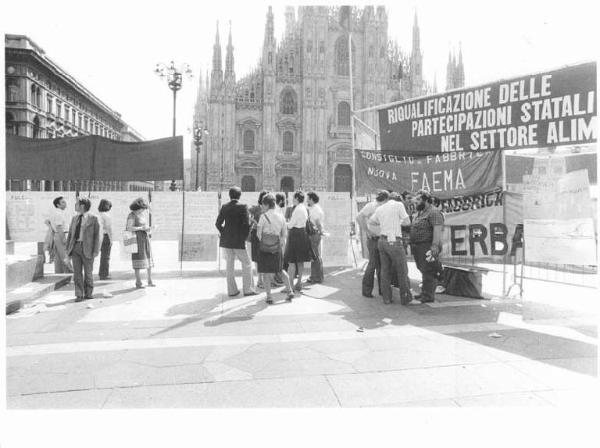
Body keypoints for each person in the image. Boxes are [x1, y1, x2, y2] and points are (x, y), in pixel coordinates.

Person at [368, 190, 412, 305]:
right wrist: (397, 222)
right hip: (394, 240)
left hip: (382, 240)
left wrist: (384, 223)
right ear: (398, 199)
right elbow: (407, 222)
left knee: (385, 270)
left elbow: (371, 222)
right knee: (402, 270)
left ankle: (387, 298)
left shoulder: (379, 209)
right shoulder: (398, 205)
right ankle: (405, 298)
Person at [215, 186, 257, 297]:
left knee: (229, 265)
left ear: (230, 195)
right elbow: (246, 225)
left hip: (227, 241)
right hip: (238, 241)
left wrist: (224, 233)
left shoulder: (224, 207)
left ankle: (232, 290)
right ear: (240, 195)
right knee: (247, 264)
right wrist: (244, 235)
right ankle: (248, 289)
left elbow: (218, 224)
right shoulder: (243, 207)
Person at [257, 193, 294, 304]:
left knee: (265, 273)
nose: (262, 207)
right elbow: (284, 234)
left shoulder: (263, 217)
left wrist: (265, 242)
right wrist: (278, 244)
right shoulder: (281, 216)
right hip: (277, 248)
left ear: (267, 205)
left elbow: (258, 234)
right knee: (280, 270)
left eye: (263, 205)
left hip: (264, 249)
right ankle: (290, 291)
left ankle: (269, 296)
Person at [410, 190, 444, 303]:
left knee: (429, 270)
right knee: (423, 269)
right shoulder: (420, 213)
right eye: (416, 200)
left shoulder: (434, 212)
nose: (416, 202)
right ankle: (425, 292)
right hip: (418, 246)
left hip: (428, 246)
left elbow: (437, 230)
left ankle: (428, 296)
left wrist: (434, 246)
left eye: (419, 200)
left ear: (426, 200)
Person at [65, 198, 100, 302]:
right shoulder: (74, 218)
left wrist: (95, 251)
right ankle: (79, 294)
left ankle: (89, 293)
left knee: (88, 273)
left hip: (88, 249)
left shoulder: (93, 219)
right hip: (75, 248)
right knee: (77, 273)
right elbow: (70, 235)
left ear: (82, 206)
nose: (75, 206)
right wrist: (68, 251)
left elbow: (97, 236)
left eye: (77, 204)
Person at [284, 190, 313, 293]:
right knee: (300, 261)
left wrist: (285, 224)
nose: (292, 200)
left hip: (295, 235)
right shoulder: (304, 208)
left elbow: (291, 224)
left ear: (296, 198)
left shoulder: (297, 210)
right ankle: (299, 283)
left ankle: (290, 285)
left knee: (291, 261)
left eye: (293, 198)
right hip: (302, 234)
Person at [356, 193, 382, 298]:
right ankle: (367, 291)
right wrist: (367, 231)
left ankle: (382, 290)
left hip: (380, 238)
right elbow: (359, 217)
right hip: (374, 239)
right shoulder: (371, 206)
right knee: (373, 265)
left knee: (381, 265)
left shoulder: (375, 206)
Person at [126, 197, 155, 289]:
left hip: (144, 238)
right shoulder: (131, 215)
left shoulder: (142, 214)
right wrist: (140, 228)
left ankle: (150, 280)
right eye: (142, 208)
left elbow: (144, 224)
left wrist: (148, 228)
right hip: (136, 239)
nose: (143, 210)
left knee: (148, 258)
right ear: (137, 207)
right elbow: (129, 228)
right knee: (138, 259)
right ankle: (138, 282)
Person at [45, 196, 73, 273]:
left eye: (64, 201)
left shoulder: (56, 213)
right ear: (58, 205)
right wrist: (64, 239)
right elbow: (59, 227)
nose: (65, 203)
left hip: (57, 235)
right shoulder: (58, 214)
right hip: (61, 235)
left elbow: (47, 222)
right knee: (65, 256)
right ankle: (70, 273)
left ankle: (58, 273)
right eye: (63, 202)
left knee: (58, 257)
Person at [249, 191, 270, 289]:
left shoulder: (262, 209)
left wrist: (253, 222)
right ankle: (260, 279)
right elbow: (248, 215)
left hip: (263, 234)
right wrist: (253, 222)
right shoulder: (257, 208)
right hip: (258, 234)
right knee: (258, 257)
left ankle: (261, 279)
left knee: (261, 257)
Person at [306, 191, 325, 284]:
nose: (306, 200)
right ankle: (315, 276)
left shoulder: (315, 209)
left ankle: (316, 277)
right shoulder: (314, 208)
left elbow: (317, 222)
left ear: (311, 199)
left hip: (314, 234)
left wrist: (321, 231)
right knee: (315, 256)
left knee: (315, 256)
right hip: (314, 233)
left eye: (308, 198)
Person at [97, 199, 113, 280]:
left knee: (101, 256)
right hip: (105, 236)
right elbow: (108, 228)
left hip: (97, 236)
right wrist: (111, 239)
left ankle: (101, 273)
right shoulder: (106, 216)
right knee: (105, 256)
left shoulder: (97, 215)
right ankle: (104, 274)